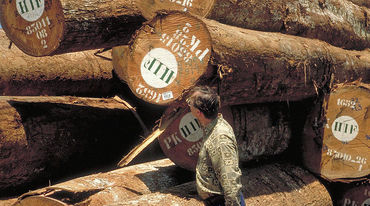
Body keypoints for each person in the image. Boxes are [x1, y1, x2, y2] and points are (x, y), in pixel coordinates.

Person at [186, 86, 245, 206]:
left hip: (221, 202)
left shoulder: (220, 138)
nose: (188, 104)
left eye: (190, 102)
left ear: (199, 113)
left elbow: (230, 180)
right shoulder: (211, 125)